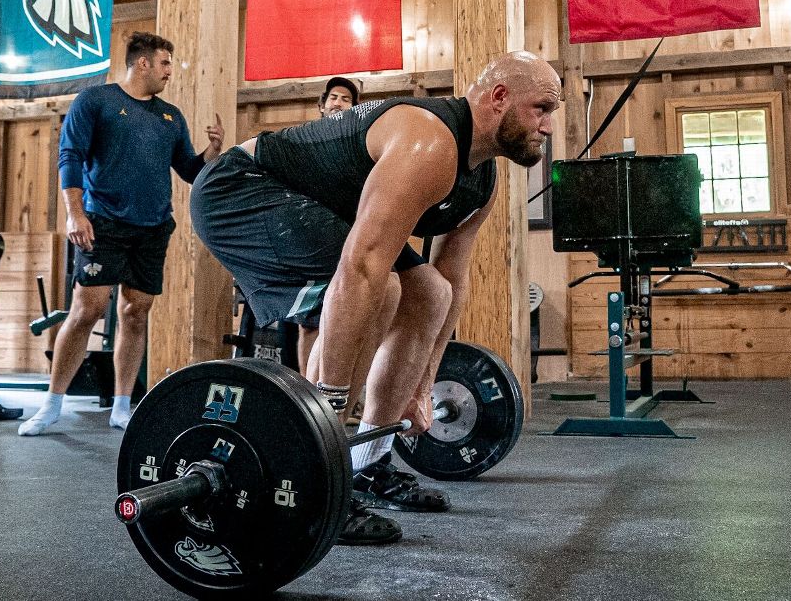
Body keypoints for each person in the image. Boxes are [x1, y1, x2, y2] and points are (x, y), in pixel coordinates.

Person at [190, 51, 557, 544]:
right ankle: (317, 475)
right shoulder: (428, 143)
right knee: (382, 285)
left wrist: (423, 385)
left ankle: (365, 464)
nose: (549, 126)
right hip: (240, 189)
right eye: (542, 108)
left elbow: (451, 281)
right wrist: (330, 409)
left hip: (315, 207)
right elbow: (362, 266)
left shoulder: (482, 181)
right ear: (499, 98)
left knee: (428, 291)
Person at [19, 32, 224, 436]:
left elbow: (186, 168)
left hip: (153, 227)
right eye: (165, 63)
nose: (170, 71)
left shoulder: (171, 116)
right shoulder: (96, 101)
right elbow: (70, 156)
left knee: (135, 313)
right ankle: (51, 404)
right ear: (143, 63)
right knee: (88, 309)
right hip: (102, 222)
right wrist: (74, 214)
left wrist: (210, 156)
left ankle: (122, 406)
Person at [289, 77, 361, 375]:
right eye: (333, 97)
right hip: (312, 241)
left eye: (346, 99)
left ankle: (341, 393)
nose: (338, 102)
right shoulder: (303, 140)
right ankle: (308, 397)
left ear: (355, 108)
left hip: (351, 240)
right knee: (311, 322)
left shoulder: (363, 144)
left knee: (351, 320)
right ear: (322, 105)